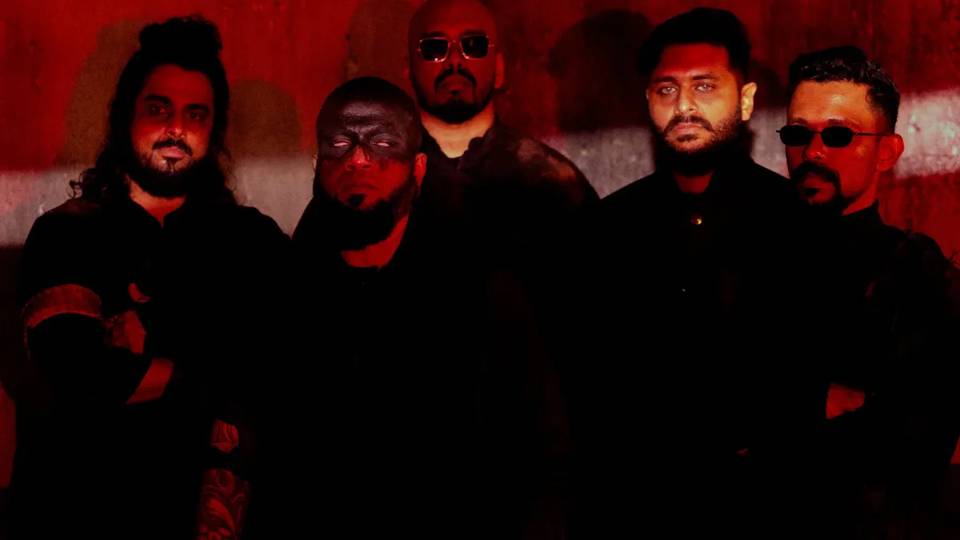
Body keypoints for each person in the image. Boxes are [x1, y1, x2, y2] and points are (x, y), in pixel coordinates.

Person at [246, 76, 562, 539]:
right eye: (340, 144)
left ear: (418, 169)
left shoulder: (480, 293)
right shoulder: (282, 294)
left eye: (382, 143)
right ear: (317, 164)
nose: (358, 159)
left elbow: (540, 452)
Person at [13, 17, 287, 538]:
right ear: (125, 116)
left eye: (195, 114)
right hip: (82, 513)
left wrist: (157, 337)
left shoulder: (253, 241)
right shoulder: (66, 235)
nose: (176, 129)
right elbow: (82, 375)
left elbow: (286, 370)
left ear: (215, 128)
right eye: (158, 109)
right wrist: (220, 363)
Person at [563, 8, 815, 537]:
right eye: (667, 90)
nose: (684, 106)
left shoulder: (796, 221)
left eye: (704, 86)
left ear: (745, 100)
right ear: (647, 101)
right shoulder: (608, 229)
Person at [781, 45, 960, 538]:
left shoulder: (917, 274)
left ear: (887, 152)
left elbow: (913, 445)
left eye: (838, 135)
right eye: (797, 133)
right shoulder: (749, 257)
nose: (812, 152)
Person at [406, 0, 597, 275]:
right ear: (408, 69)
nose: (455, 61)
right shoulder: (376, 178)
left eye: (474, 46)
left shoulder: (554, 184)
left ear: (499, 69)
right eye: (434, 48)